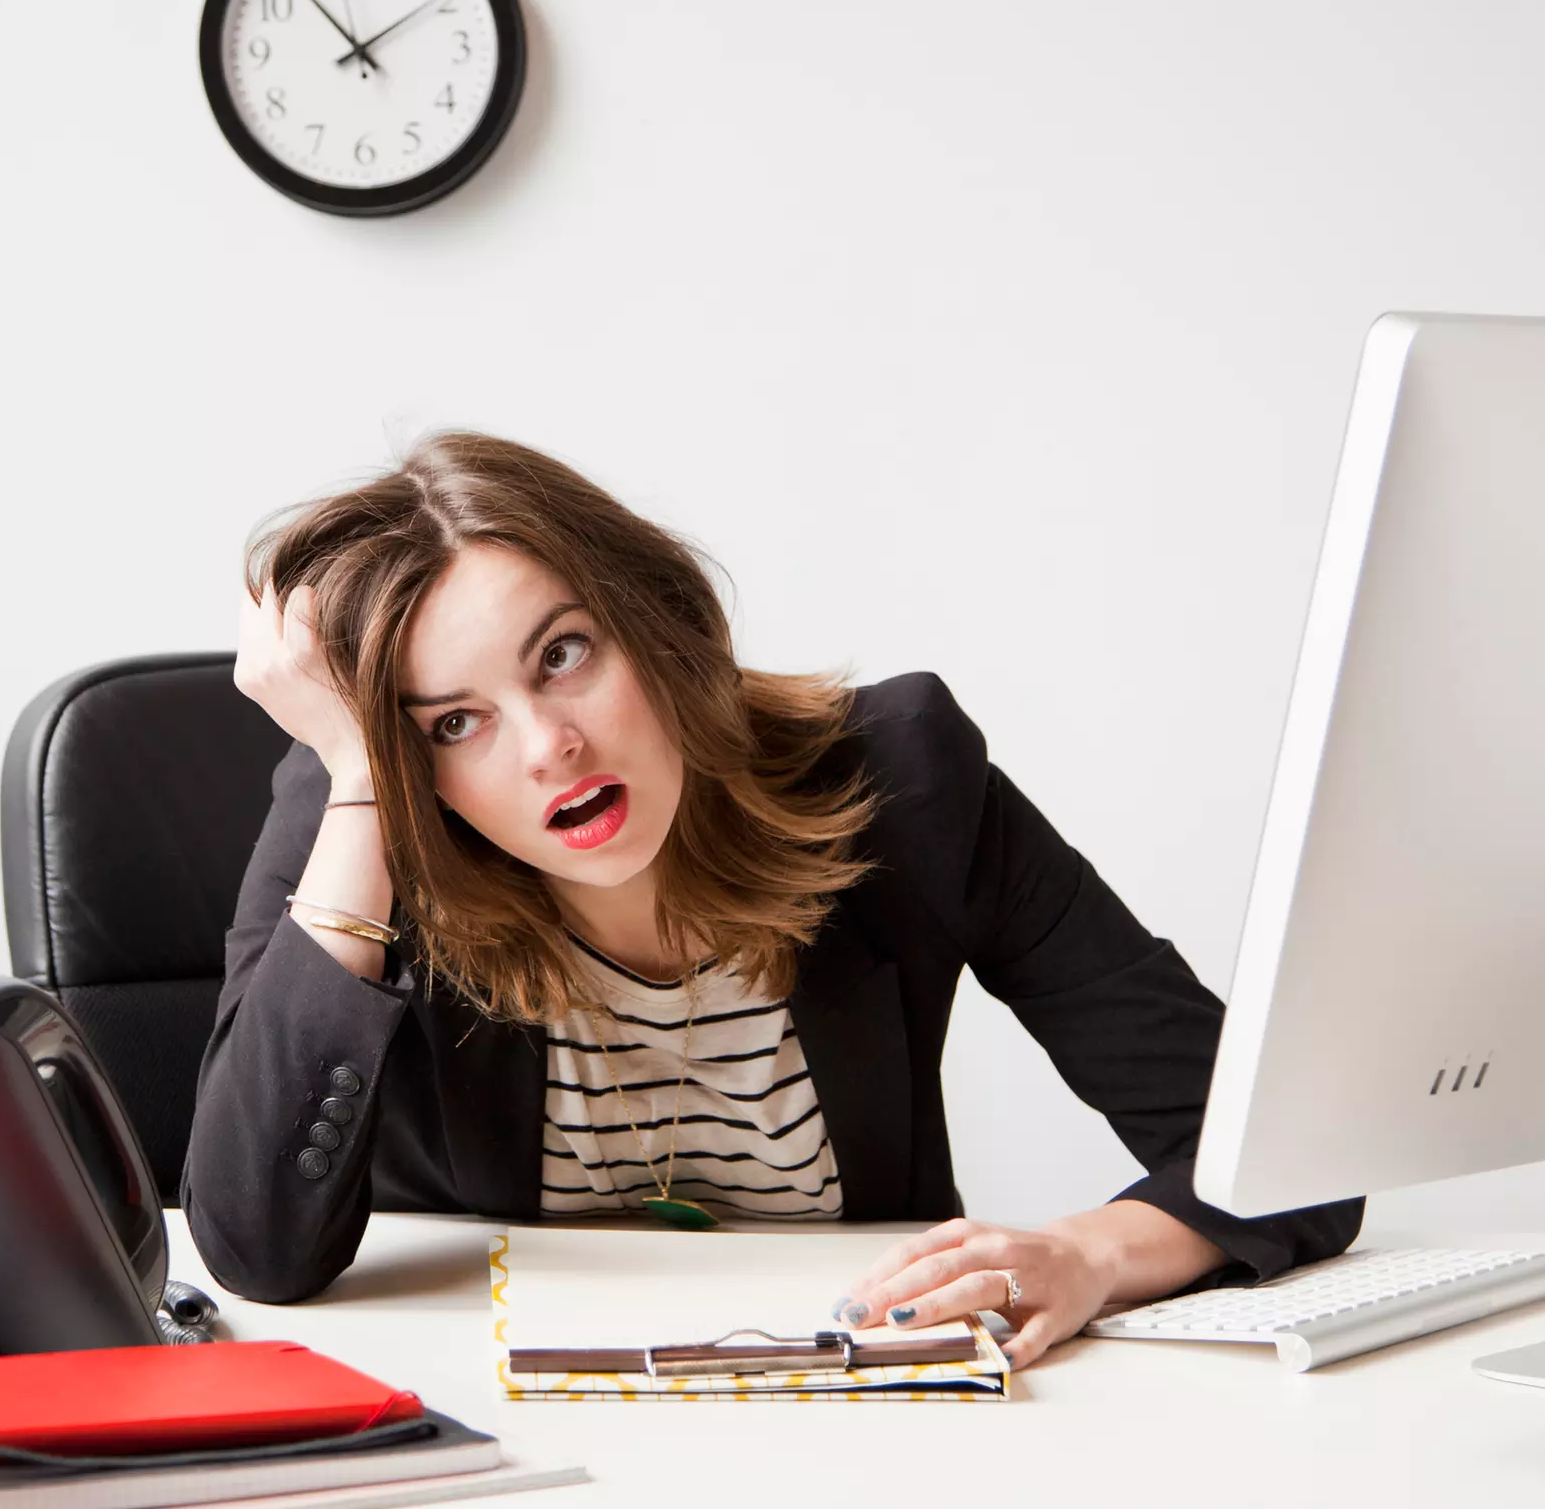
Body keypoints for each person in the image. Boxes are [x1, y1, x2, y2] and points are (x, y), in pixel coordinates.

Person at [182, 432, 1359, 1364]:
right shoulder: (360, 822)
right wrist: (361, 791)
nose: (548, 746)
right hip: (506, 1426)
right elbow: (256, 1251)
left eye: (563, 654)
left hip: (865, 1404)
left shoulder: (903, 779)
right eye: (453, 722)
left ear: (656, 623)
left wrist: (1090, 1255)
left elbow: (1281, 1155)